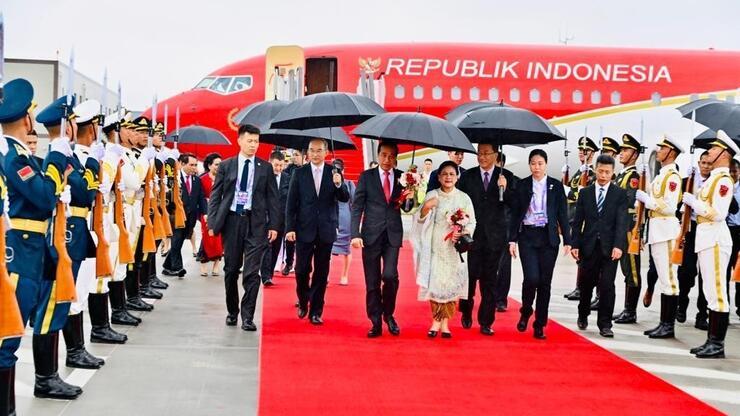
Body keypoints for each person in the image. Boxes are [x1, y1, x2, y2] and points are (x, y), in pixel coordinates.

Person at [0, 79, 81, 404]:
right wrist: (57, 158)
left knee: (16, 331)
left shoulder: (20, 156)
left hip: (33, 250)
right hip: (20, 252)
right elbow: (45, 197)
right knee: (7, 337)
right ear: (27, 118)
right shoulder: (14, 158)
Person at [207, 124, 280, 331]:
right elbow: (216, 196)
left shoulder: (265, 167)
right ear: (240, 141)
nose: (253, 145)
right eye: (249, 141)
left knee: (252, 272)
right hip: (232, 222)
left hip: (256, 224)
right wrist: (213, 222)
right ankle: (232, 311)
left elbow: (273, 199)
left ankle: (248, 316)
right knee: (231, 270)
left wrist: (274, 225)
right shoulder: (226, 166)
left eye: (256, 141)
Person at [682, 131, 738, 358]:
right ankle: (710, 340)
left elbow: (719, 213)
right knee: (709, 290)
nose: (710, 151)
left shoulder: (723, 180)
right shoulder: (712, 179)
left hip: (715, 238)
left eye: (714, 148)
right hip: (705, 237)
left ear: (724, 154)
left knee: (717, 292)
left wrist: (694, 203)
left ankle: (717, 344)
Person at [351, 142, 413, 337]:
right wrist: (354, 234)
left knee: (390, 276)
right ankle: (375, 321)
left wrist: (409, 197)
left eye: (391, 156)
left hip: (392, 234)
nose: (387, 160)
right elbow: (357, 206)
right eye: (384, 155)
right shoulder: (366, 177)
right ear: (378, 156)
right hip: (370, 235)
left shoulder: (404, 177)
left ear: (396, 158)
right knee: (372, 282)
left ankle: (388, 314)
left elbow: (407, 208)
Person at [508, 149, 571, 340]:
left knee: (545, 283)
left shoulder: (556, 186)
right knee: (531, 278)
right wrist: (512, 240)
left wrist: (568, 240)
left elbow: (563, 214)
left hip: (548, 238)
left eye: (540, 163)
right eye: (533, 163)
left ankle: (540, 324)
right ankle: (526, 310)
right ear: (529, 165)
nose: (536, 167)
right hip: (528, 236)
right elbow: (515, 214)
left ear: (546, 164)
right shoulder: (522, 185)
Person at [285, 138, 349, 325]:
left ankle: (316, 310)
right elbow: (291, 203)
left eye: (319, 150)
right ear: (307, 152)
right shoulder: (299, 173)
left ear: (326, 152)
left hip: (326, 229)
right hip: (303, 228)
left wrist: (339, 184)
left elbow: (344, 198)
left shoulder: (334, 172)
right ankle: (303, 299)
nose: (315, 154)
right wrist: (289, 228)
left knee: (322, 272)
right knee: (301, 269)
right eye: (312, 150)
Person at [413, 161, 476, 338]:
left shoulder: (464, 198)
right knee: (435, 283)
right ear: (439, 177)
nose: (448, 177)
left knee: (450, 285)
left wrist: (463, 232)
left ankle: (445, 323)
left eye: (452, 174)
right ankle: (435, 321)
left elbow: (472, 222)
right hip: (435, 246)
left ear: (457, 177)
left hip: (453, 249)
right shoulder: (432, 194)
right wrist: (426, 207)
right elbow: (419, 219)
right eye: (444, 174)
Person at [572, 155, 628, 338]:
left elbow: (622, 222)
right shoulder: (585, 193)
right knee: (586, 283)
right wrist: (575, 244)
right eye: (601, 171)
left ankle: (605, 324)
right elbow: (577, 221)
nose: (603, 175)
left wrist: (619, 245)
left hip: (610, 247)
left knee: (607, 285)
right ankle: (583, 314)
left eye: (607, 172)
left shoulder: (619, 194)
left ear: (613, 173)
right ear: (595, 170)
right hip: (588, 246)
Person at [457, 143, 510, 336]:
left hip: (495, 238)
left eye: (487, 153)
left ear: (496, 155)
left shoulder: (506, 177)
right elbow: (459, 203)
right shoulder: (468, 177)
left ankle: (486, 321)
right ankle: (466, 310)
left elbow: (514, 204)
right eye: (479, 153)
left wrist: (505, 189)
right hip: (471, 237)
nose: (482, 157)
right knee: (469, 278)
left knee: (489, 281)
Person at [635, 136, 683, 339]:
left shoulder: (672, 177)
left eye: (663, 148)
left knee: (669, 279)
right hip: (657, 230)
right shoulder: (662, 175)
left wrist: (647, 200)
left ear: (671, 152)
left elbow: (669, 207)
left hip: (666, 231)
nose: (659, 150)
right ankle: (663, 323)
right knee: (664, 279)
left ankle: (668, 326)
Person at [676, 151, 712, 329]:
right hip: (690, 230)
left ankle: (702, 314)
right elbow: (676, 207)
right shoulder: (687, 181)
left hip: (707, 229)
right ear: (698, 163)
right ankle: (681, 305)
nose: (706, 166)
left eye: (709, 163)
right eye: (703, 163)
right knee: (686, 271)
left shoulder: (715, 183)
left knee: (705, 274)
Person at [612, 134, 643, 324]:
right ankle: (626, 309)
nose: (621, 153)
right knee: (625, 269)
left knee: (632, 270)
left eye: (626, 150)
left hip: (629, 228)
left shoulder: (633, 176)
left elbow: (630, 200)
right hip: (620, 227)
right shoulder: (622, 175)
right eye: (621, 150)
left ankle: (631, 311)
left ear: (635, 154)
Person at [564, 136, 598, 302]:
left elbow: (583, 196)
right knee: (579, 257)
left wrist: (569, 192)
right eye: (580, 150)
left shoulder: (592, 174)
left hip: (585, 220)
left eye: (585, 150)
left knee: (585, 257)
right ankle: (579, 287)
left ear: (592, 153)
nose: (581, 153)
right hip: (574, 218)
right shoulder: (580, 172)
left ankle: (583, 289)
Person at [163, 153, 207, 277]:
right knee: (176, 240)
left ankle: (167, 266)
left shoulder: (197, 180)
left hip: (190, 217)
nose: (194, 168)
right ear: (182, 164)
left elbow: (201, 198)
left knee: (180, 241)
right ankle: (178, 267)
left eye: (195, 165)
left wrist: (205, 213)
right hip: (176, 215)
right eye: (191, 165)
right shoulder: (174, 178)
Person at [259, 151, 289, 285]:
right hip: (265, 217)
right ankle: (265, 276)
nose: (278, 168)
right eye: (276, 165)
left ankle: (269, 274)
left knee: (276, 248)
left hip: (281, 218)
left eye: (281, 165)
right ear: (270, 162)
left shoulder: (287, 178)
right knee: (267, 246)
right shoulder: (263, 176)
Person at [494, 152, 519, 312]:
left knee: (504, 266)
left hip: (505, 227)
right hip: (488, 227)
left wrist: (505, 188)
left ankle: (501, 299)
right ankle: (489, 296)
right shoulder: (484, 178)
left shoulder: (511, 179)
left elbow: (516, 203)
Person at [198, 152, 224, 276]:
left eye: (220, 164)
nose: (218, 167)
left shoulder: (224, 178)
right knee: (207, 237)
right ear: (209, 165)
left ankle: (216, 265)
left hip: (221, 211)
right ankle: (203, 263)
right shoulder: (202, 179)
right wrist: (204, 211)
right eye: (216, 164)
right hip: (207, 212)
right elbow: (200, 197)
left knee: (219, 238)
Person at [331, 158, 356, 286]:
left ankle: (345, 275)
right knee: (325, 248)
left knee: (346, 249)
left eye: (339, 170)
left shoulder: (349, 184)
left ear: (343, 171)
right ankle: (325, 275)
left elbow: (355, 202)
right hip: (330, 218)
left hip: (345, 218)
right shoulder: (327, 183)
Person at [281, 148, 305, 276]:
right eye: (293, 154)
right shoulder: (288, 170)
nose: (294, 157)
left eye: (297, 155)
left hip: (305, 210)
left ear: (304, 156)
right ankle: (289, 262)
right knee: (289, 238)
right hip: (291, 208)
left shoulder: (308, 170)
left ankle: (301, 264)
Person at [727, 158, 740, 318]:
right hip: (728, 230)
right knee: (725, 270)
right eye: (730, 171)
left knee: (739, 269)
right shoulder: (724, 186)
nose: (732, 174)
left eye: (735, 171)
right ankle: (725, 307)